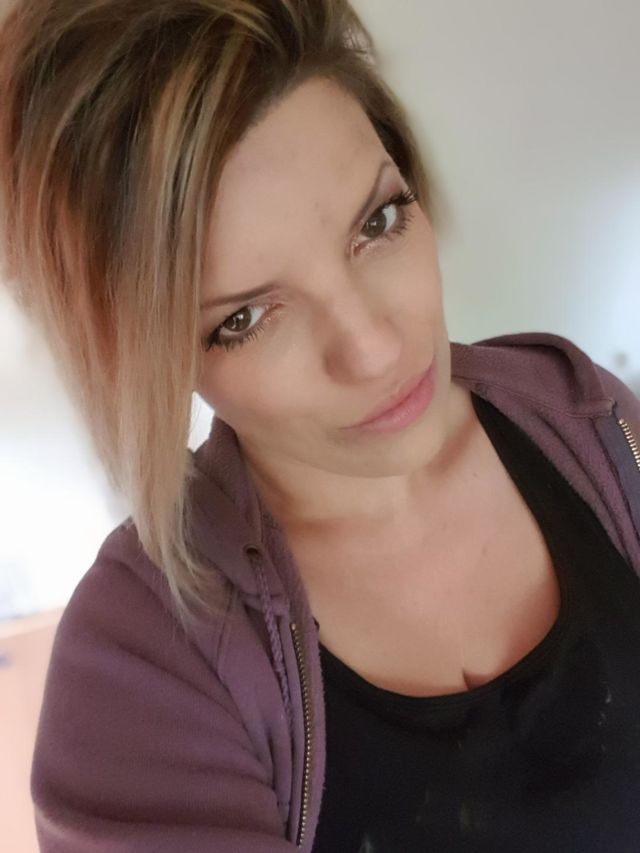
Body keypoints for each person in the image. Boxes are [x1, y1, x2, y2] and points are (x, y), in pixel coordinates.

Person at [1, 1, 639, 851]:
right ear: (151, 358)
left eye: (378, 222)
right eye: (244, 318)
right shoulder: (141, 668)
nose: (375, 350)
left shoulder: (585, 416)